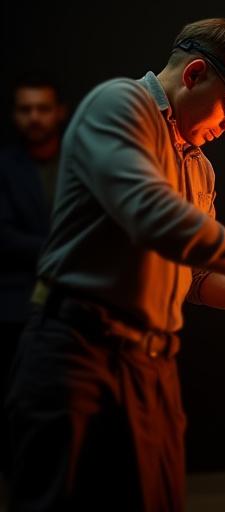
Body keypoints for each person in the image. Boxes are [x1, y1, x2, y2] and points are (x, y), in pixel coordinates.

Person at [4, 18, 225, 511]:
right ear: (195, 74)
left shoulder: (199, 166)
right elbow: (152, 216)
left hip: (150, 364)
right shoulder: (120, 105)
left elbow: (194, 279)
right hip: (77, 351)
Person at [0, 71, 67, 474]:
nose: (35, 117)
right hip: (15, 306)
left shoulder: (80, 157)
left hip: (75, 305)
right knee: (19, 404)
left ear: (59, 112)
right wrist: (67, 251)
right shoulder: (4, 166)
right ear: (14, 115)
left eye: (43, 108)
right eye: (26, 109)